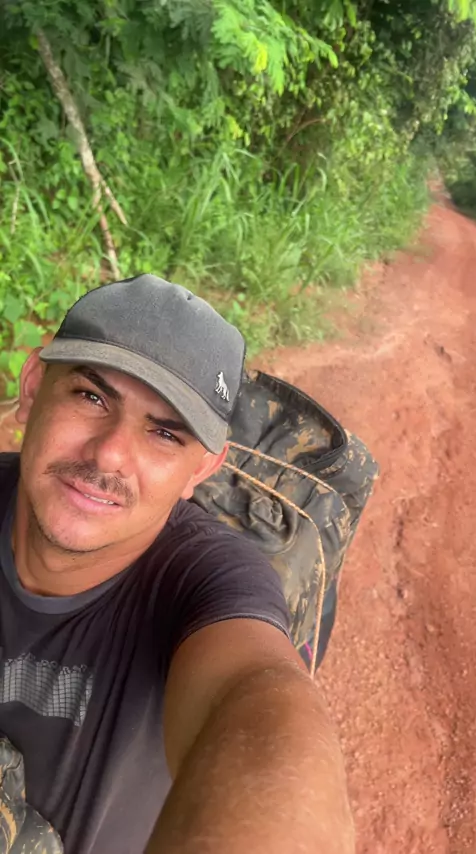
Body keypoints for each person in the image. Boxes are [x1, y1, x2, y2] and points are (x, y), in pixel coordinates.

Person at [0, 274, 354, 854]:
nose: (110, 454)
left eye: (165, 433)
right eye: (91, 397)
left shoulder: (209, 582)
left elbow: (259, 703)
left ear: (202, 469)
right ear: (34, 385)